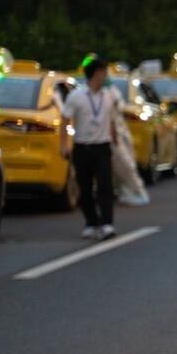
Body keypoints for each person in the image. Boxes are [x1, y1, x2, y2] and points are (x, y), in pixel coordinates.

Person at [61, 58, 120, 240]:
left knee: (105, 186)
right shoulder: (76, 96)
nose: (106, 77)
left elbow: (111, 120)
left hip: (102, 146)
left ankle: (107, 223)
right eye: (103, 73)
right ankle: (91, 222)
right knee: (84, 187)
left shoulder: (108, 95)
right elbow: (65, 120)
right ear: (96, 73)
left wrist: (115, 140)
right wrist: (63, 144)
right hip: (82, 147)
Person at [109, 77, 150, 207]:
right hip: (105, 137)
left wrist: (115, 137)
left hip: (118, 136)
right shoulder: (89, 93)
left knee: (126, 165)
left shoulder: (111, 92)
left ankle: (135, 192)